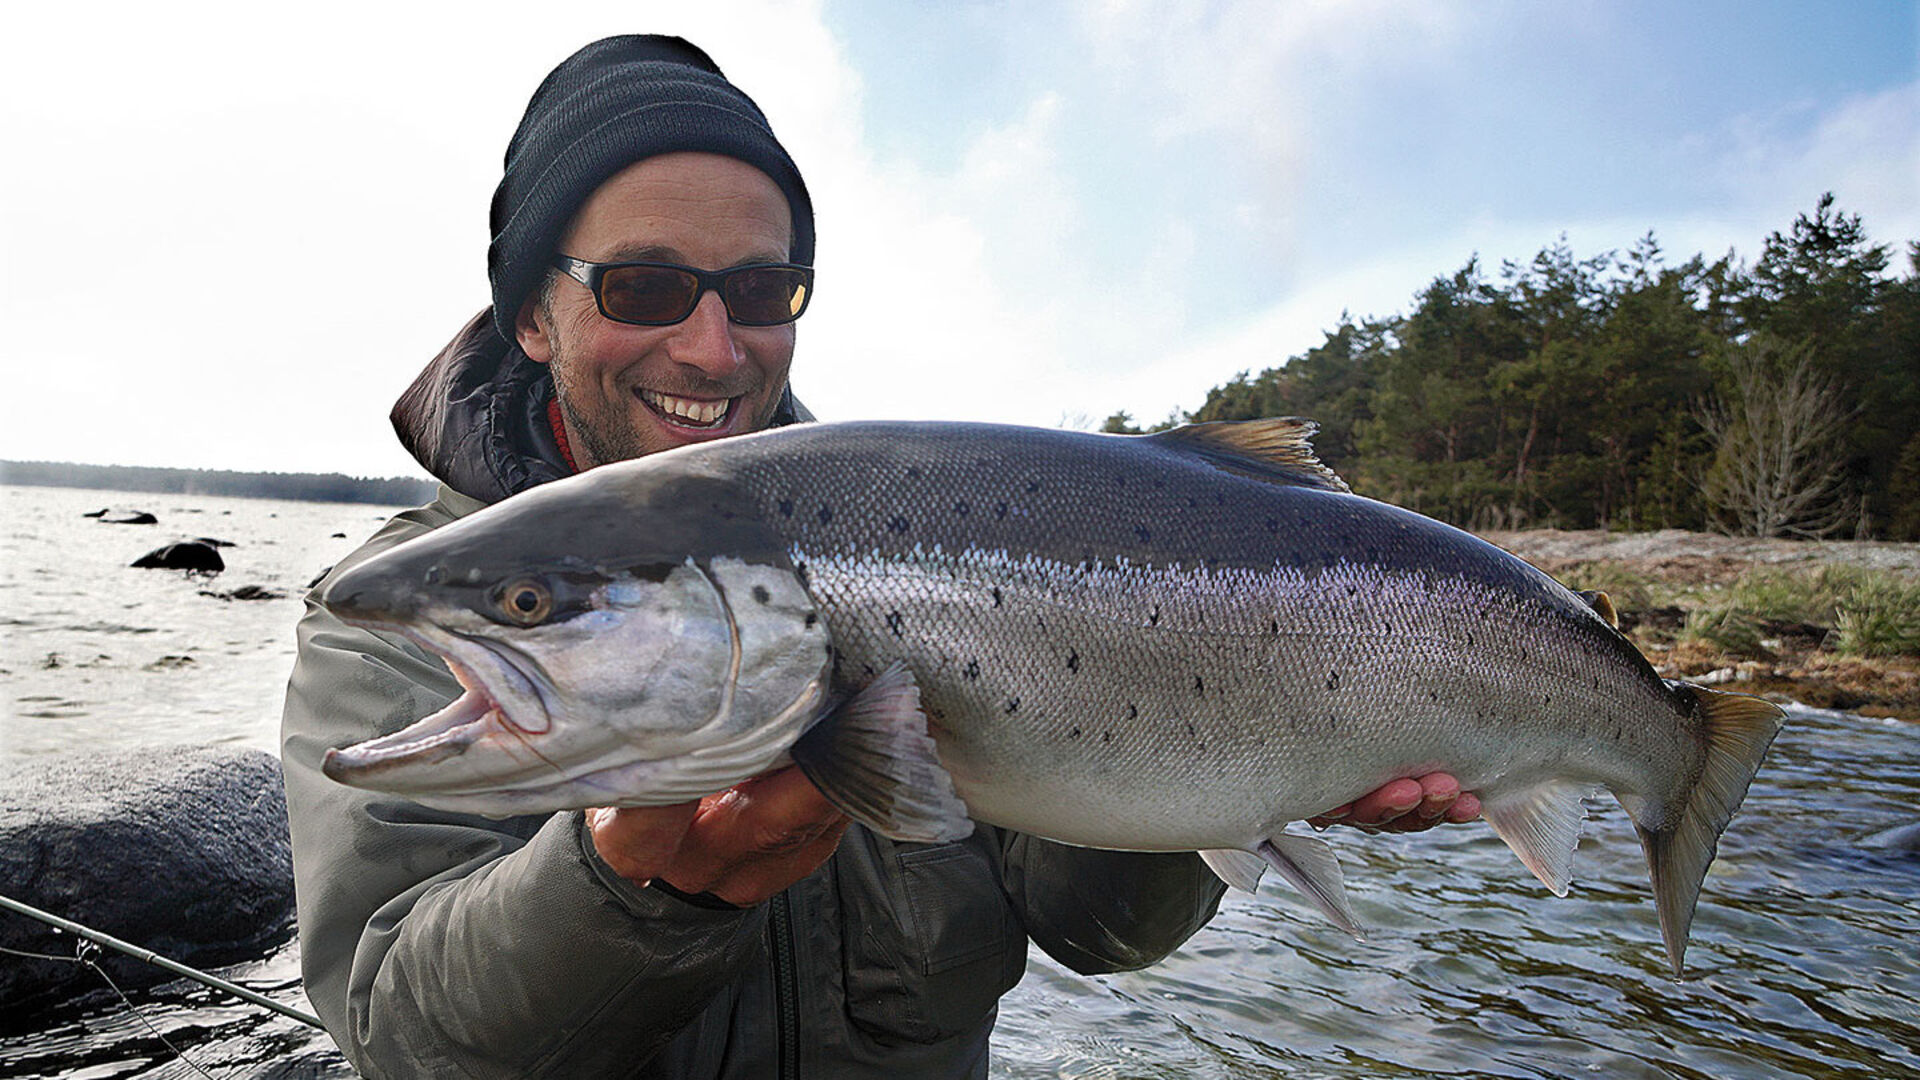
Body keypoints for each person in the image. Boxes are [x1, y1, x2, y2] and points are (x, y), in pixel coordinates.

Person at [279, 34, 1480, 1079]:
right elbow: (404, 1043)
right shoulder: (403, 617)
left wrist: (1253, 772)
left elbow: (1101, 936)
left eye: (758, 288)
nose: (711, 345)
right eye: (645, 285)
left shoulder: (926, 536)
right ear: (533, 314)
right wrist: (635, 889)